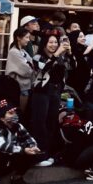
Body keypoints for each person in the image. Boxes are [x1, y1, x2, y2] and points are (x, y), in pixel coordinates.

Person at [28, 33, 72, 162]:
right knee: (39, 123)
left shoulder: (61, 57)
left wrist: (69, 53)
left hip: (56, 91)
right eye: (50, 42)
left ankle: (48, 153)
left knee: (51, 123)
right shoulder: (37, 57)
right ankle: (39, 154)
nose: (54, 45)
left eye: (55, 42)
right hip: (41, 92)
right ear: (45, 44)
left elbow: (73, 66)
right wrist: (57, 54)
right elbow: (44, 68)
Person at [0, 101, 44, 184]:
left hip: (9, 157)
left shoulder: (18, 126)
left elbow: (29, 138)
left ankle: (16, 179)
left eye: (15, 112)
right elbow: (2, 146)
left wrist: (33, 147)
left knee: (32, 152)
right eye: (11, 113)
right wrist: (23, 149)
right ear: (2, 118)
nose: (14, 115)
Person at [5, 27, 37, 105]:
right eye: (26, 37)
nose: (28, 40)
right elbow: (26, 70)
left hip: (26, 86)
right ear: (18, 38)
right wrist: (32, 67)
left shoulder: (22, 51)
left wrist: (32, 66)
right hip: (20, 87)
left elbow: (33, 63)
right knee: (20, 112)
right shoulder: (14, 52)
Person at [67, 30, 91, 94]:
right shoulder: (71, 51)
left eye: (84, 36)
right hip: (73, 86)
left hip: (83, 86)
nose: (84, 38)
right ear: (74, 38)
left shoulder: (82, 48)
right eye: (80, 37)